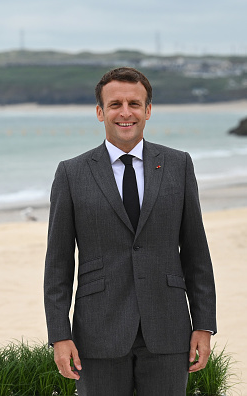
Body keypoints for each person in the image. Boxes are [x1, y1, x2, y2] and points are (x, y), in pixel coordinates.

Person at [43, 67, 216, 395]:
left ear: (148, 110)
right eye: (115, 104)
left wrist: (204, 324)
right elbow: (57, 265)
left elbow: (197, 253)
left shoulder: (179, 165)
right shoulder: (72, 173)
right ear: (100, 112)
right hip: (97, 333)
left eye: (135, 104)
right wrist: (60, 335)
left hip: (168, 329)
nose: (126, 112)